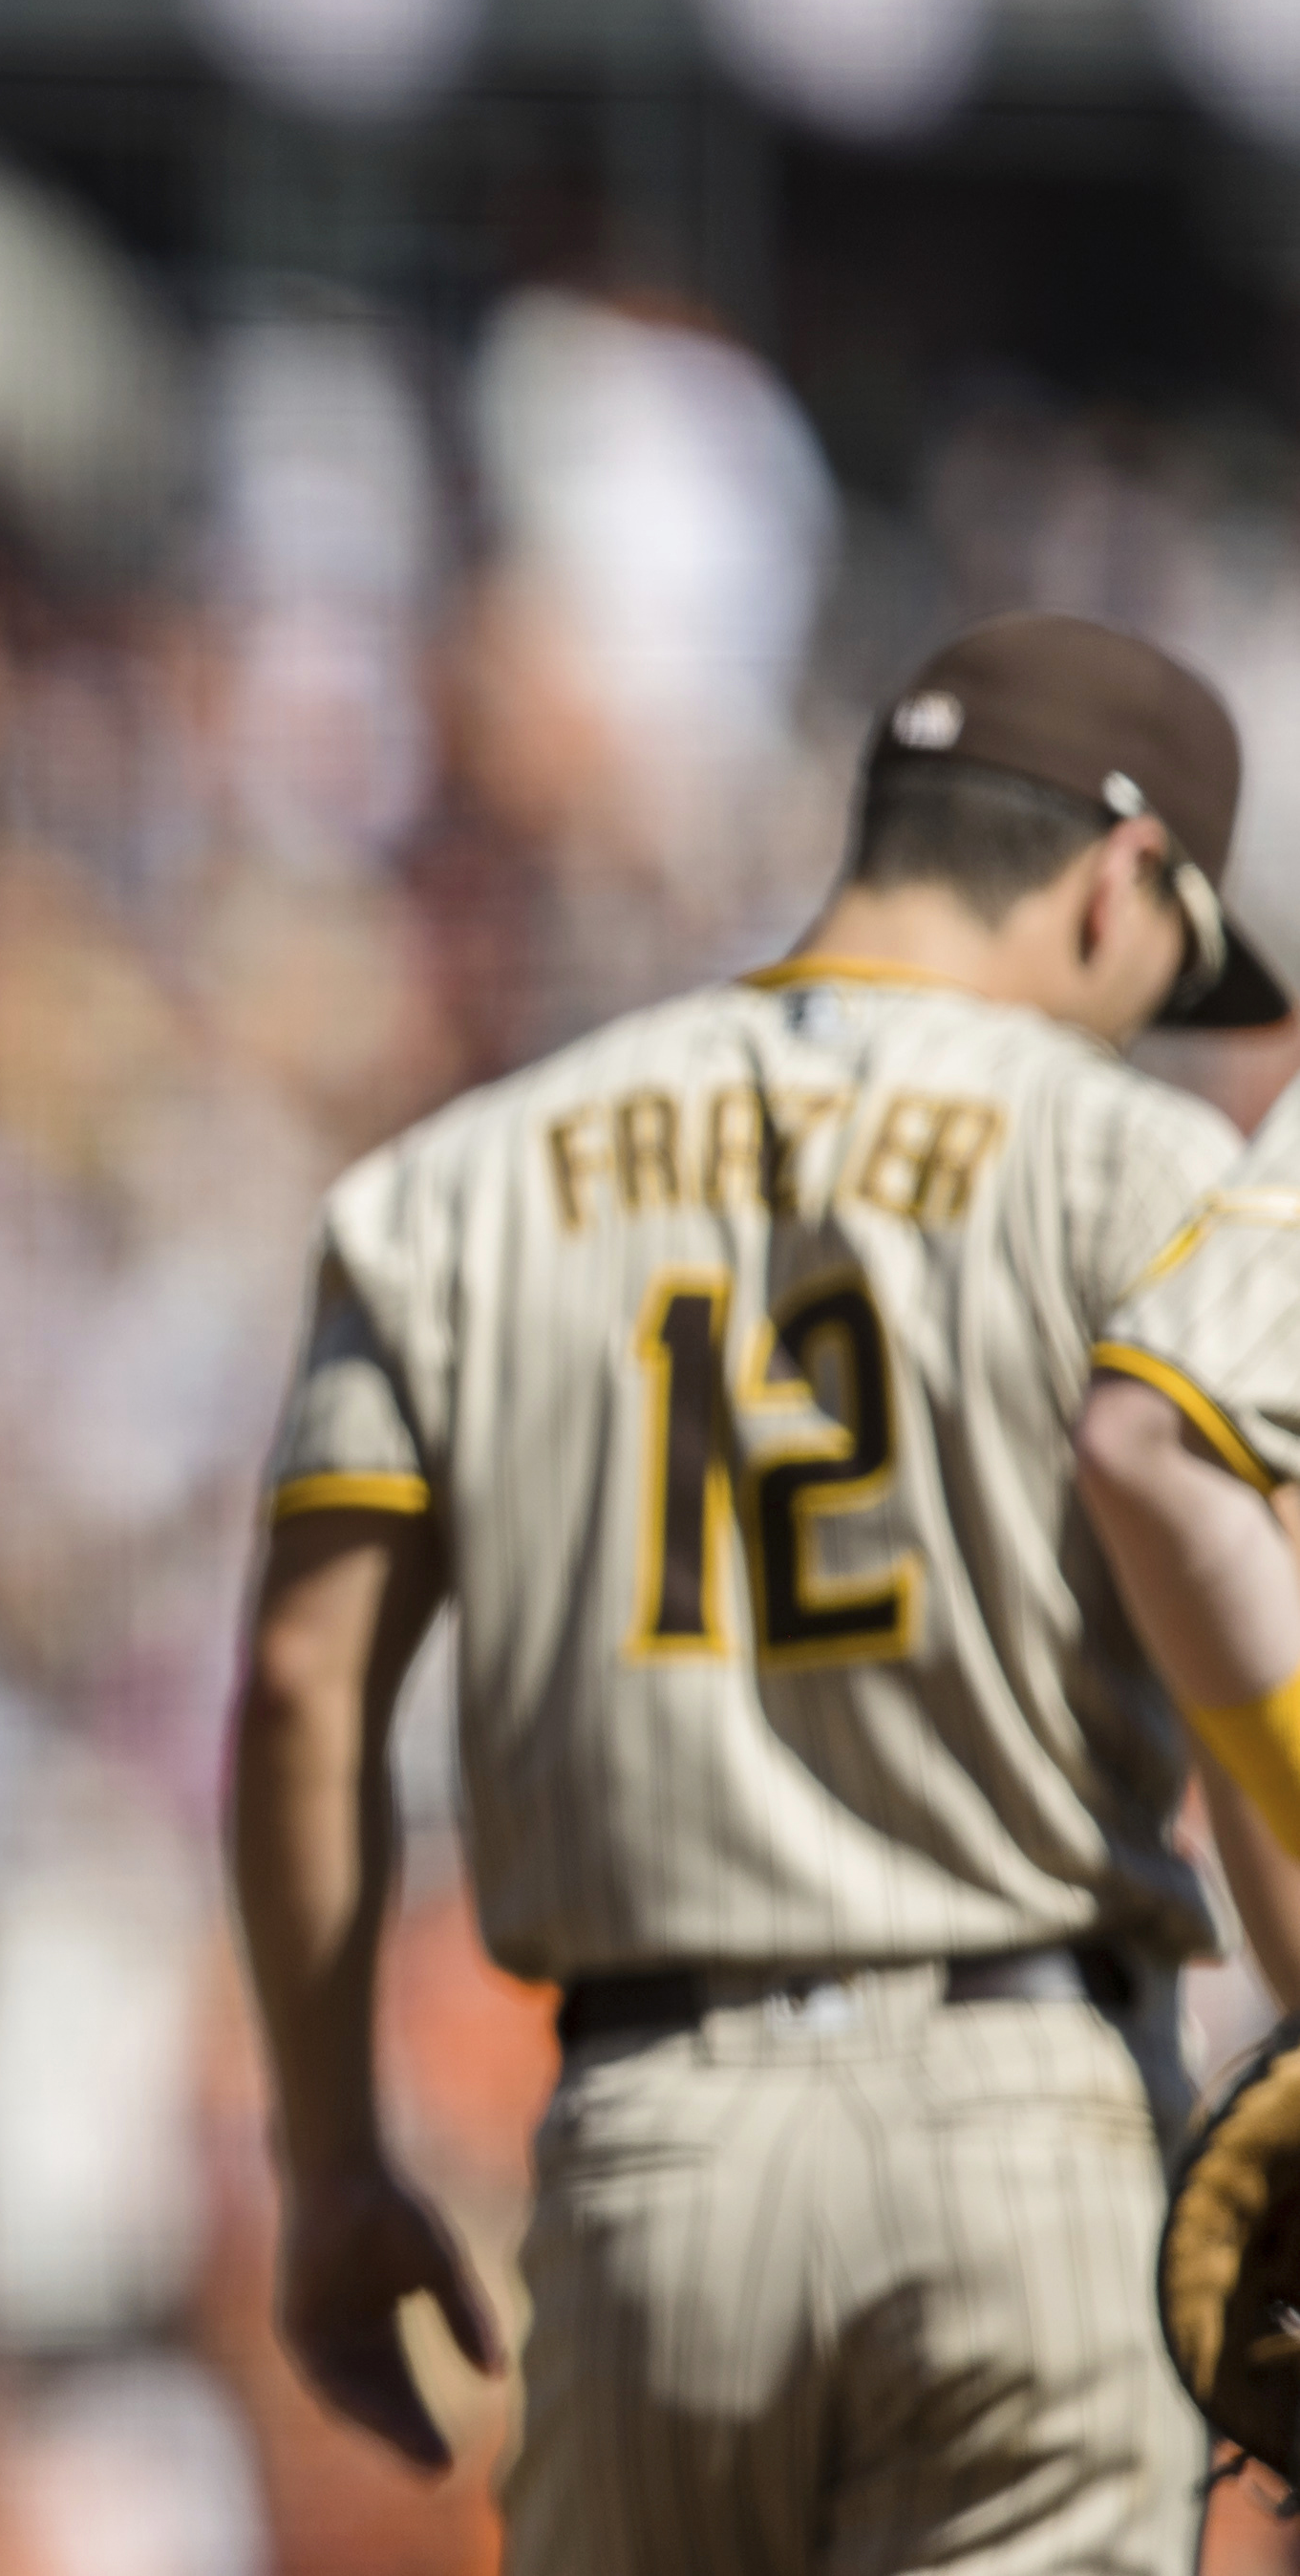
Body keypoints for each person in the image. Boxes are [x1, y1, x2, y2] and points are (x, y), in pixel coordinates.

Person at [229, 612, 1293, 2572]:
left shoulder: (447, 1184)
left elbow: (305, 1688)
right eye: (1170, 956)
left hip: (653, 2155)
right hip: (1021, 2111)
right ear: (1118, 881)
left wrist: (328, 2161)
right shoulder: (1154, 1178)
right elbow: (1246, 1601)